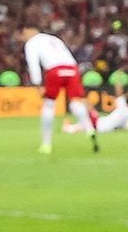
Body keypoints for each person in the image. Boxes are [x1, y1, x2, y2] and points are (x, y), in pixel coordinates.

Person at [21, 23, 98, 154]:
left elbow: (33, 64)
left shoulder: (32, 42)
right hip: (72, 69)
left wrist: (37, 84)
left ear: (29, 31)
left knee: (49, 105)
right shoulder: (54, 39)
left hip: (54, 70)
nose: (23, 37)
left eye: (23, 33)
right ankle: (89, 128)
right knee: (75, 102)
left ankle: (46, 144)